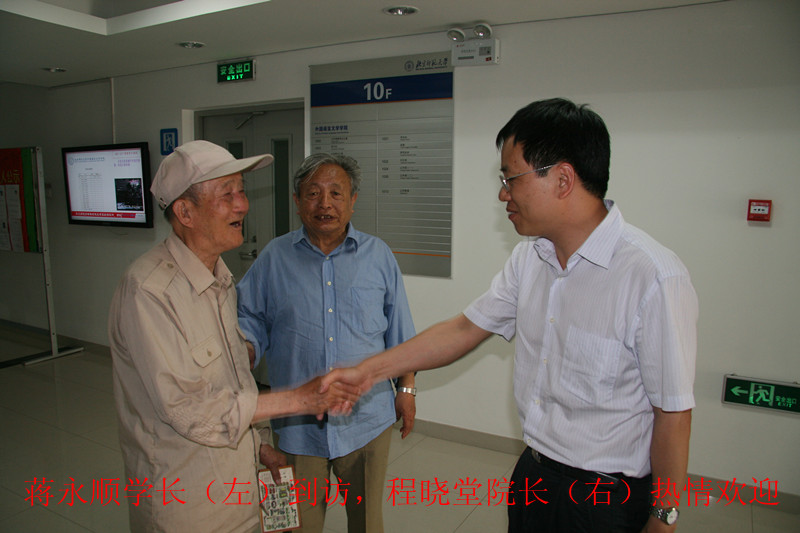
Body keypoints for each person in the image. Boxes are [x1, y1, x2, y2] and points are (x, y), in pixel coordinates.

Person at [322, 98, 698, 533]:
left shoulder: (651, 276)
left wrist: (663, 519)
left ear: (562, 179)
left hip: (605, 499)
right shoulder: (530, 258)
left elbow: (673, 413)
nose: (503, 193)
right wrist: (368, 371)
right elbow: (464, 329)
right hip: (534, 474)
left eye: (510, 178)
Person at [108, 141, 357, 533]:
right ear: (185, 212)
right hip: (188, 505)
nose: (242, 205)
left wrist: (260, 446)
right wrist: (298, 399)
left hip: (238, 491)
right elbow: (188, 409)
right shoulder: (149, 292)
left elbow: (234, 382)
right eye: (227, 195)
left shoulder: (220, 280)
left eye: (241, 191)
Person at [236, 152, 417, 533]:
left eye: (336, 193)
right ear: (297, 200)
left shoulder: (378, 256)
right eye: (313, 193)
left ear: (353, 200)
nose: (325, 204)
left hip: (367, 421)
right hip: (296, 426)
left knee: (367, 523)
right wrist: (246, 350)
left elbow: (400, 334)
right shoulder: (274, 257)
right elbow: (248, 318)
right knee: (294, 526)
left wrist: (407, 389)